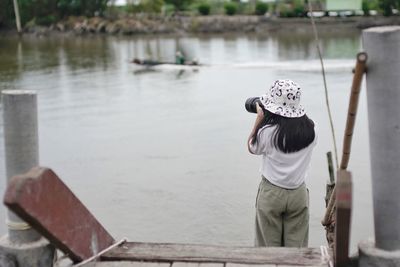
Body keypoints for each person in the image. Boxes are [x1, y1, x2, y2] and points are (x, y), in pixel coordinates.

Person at [247, 79, 317, 248]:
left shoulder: (267, 132)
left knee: (268, 250)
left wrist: (259, 118)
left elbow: (252, 146)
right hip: (298, 193)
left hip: (272, 193)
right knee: (297, 250)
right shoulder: (312, 130)